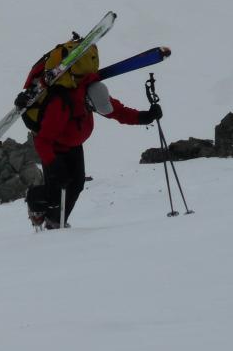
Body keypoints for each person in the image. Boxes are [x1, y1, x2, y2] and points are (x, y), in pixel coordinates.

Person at [24, 44, 162, 229]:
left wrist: (144, 117)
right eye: (92, 107)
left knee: (76, 185)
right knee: (57, 189)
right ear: (87, 100)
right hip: (54, 147)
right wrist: (53, 164)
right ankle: (35, 201)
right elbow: (43, 140)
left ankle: (55, 224)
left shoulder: (95, 94)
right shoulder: (60, 105)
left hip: (73, 144)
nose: (93, 110)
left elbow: (117, 112)